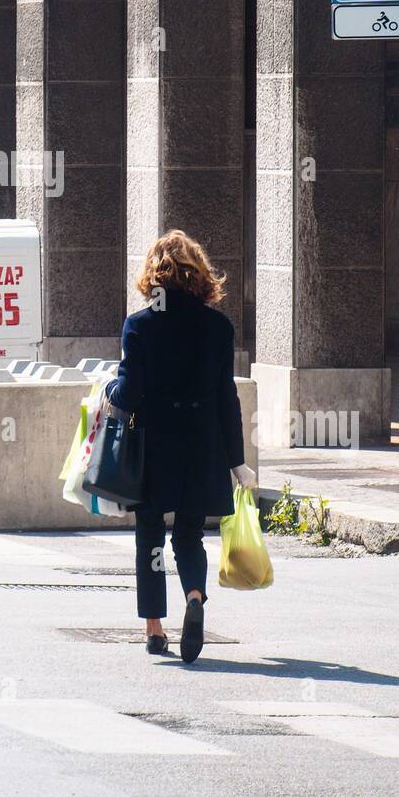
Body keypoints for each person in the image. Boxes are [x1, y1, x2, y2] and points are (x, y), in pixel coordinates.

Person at [105, 230, 257, 664]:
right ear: (199, 274)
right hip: (204, 444)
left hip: (155, 446)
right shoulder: (218, 326)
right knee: (190, 535)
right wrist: (237, 462)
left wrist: (110, 389)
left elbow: (130, 393)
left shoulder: (140, 324)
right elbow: (227, 397)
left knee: (151, 535)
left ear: (154, 273)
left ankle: (154, 629)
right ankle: (194, 595)